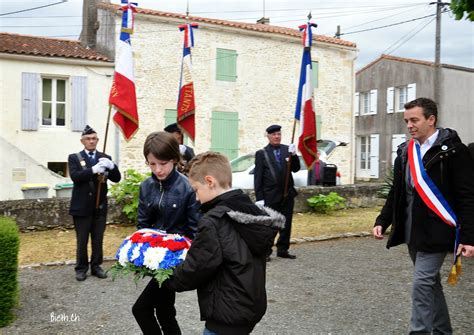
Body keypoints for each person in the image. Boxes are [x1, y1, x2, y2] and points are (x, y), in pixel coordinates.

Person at [372, 98, 474, 334]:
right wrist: (382, 220)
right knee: (430, 283)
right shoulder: (405, 152)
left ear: (431, 119)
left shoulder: (455, 152)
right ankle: (442, 330)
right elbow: (397, 191)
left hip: (439, 229)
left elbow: (468, 197)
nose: (409, 125)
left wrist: (469, 237)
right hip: (411, 230)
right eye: (407, 121)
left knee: (421, 284)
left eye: (414, 120)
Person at [164, 151, 284, 335]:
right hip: (248, 306)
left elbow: (195, 269)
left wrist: (165, 275)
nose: (196, 198)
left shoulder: (213, 220)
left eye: (196, 190)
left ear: (210, 182)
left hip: (226, 312)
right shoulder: (249, 209)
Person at [132, 131, 200, 335]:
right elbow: (142, 225)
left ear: (174, 159)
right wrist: (140, 254)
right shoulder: (146, 186)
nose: (158, 170)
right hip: (154, 260)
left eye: (162, 163)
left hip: (174, 262)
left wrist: (180, 258)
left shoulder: (188, 187)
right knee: (164, 311)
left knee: (141, 309)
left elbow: (194, 231)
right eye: (152, 164)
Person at [68, 125, 121, 281]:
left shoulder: (105, 157)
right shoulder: (74, 158)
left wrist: (112, 167)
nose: (91, 141)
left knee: (98, 239)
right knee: (82, 239)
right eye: (88, 139)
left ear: (97, 140)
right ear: (82, 141)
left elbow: (116, 179)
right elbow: (75, 177)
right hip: (81, 207)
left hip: (99, 207)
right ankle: (81, 268)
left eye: (94, 139)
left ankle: (96, 266)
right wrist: (93, 170)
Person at [254, 124, 300, 260]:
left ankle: (283, 249)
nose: (277, 137)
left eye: (279, 134)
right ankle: (266, 251)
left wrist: (294, 155)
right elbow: (258, 177)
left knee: (286, 223)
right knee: (270, 225)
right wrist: (259, 197)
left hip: (287, 194)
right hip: (270, 195)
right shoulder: (262, 153)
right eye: (274, 134)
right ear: (268, 136)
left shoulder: (287, 149)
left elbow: (296, 169)